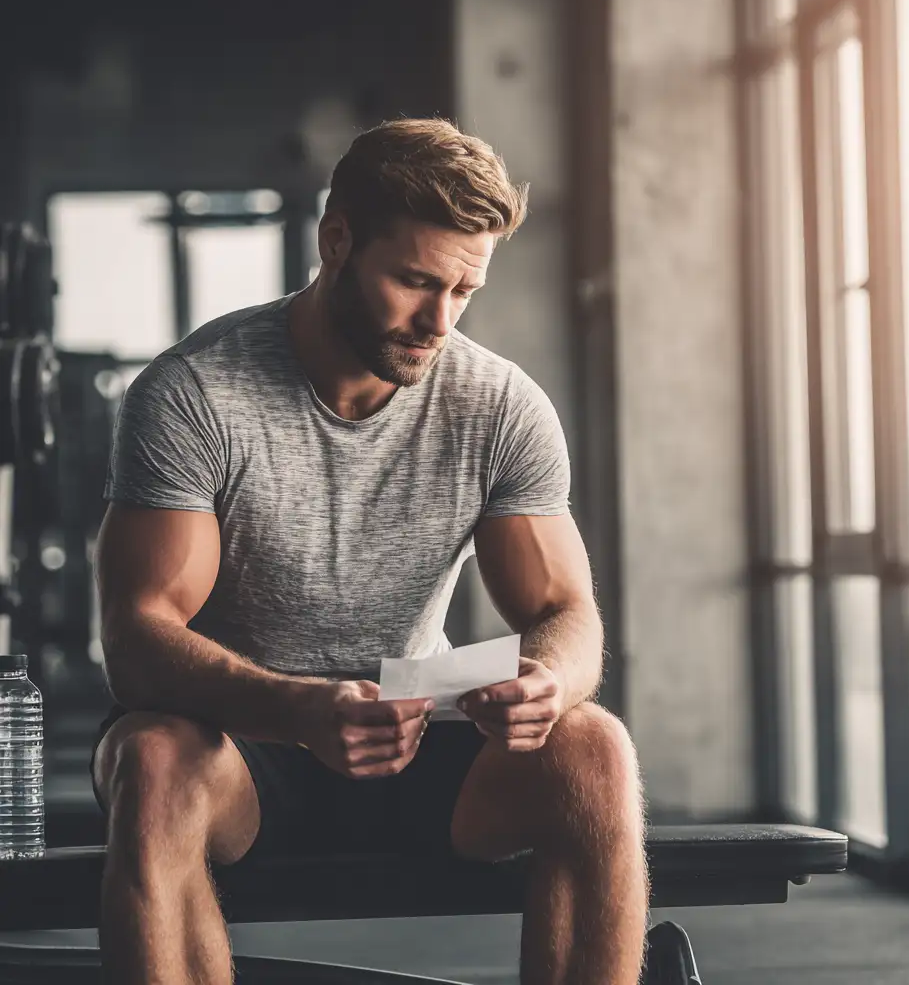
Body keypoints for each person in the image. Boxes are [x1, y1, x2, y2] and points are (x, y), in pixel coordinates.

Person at [91, 117, 648, 985]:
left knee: (594, 748)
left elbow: (562, 611)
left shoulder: (500, 406)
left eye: (463, 290)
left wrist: (548, 681)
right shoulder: (196, 394)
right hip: (242, 754)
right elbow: (136, 639)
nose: (438, 320)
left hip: (418, 743)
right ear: (337, 240)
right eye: (415, 281)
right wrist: (300, 709)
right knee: (153, 758)